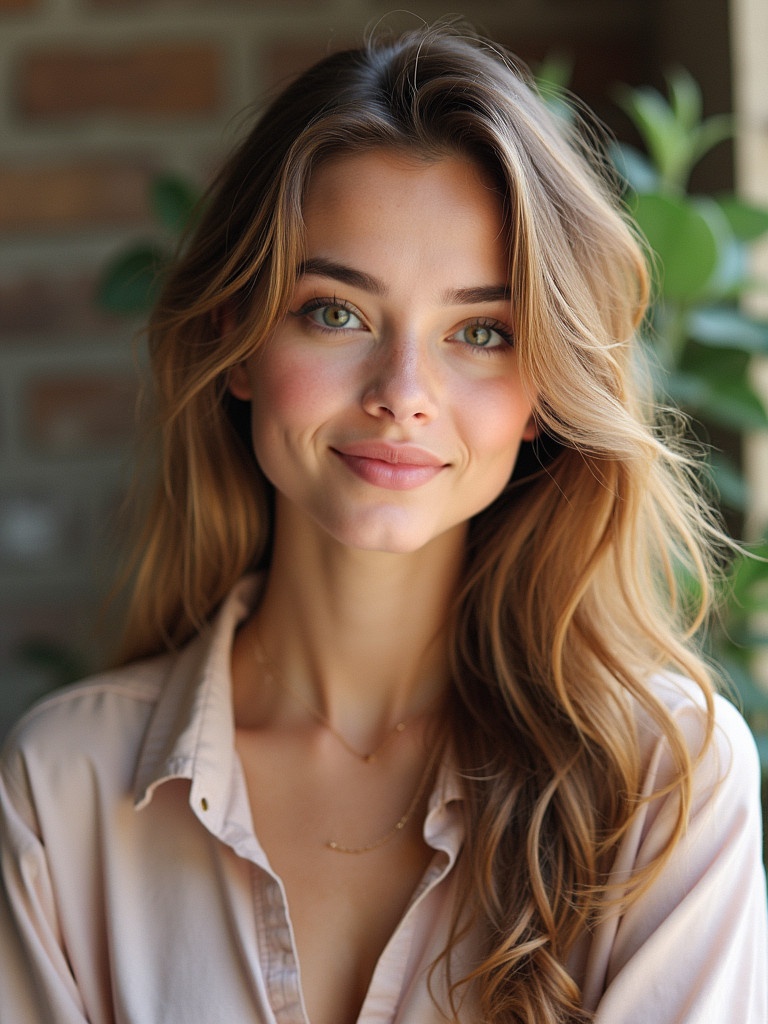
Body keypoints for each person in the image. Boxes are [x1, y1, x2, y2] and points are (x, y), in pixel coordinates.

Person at [0, 23, 765, 1024]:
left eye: (481, 332)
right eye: (337, 312)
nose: (404, 394)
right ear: (237, 338)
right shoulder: (64, 792)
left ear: (544, 393)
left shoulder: (664, 780)